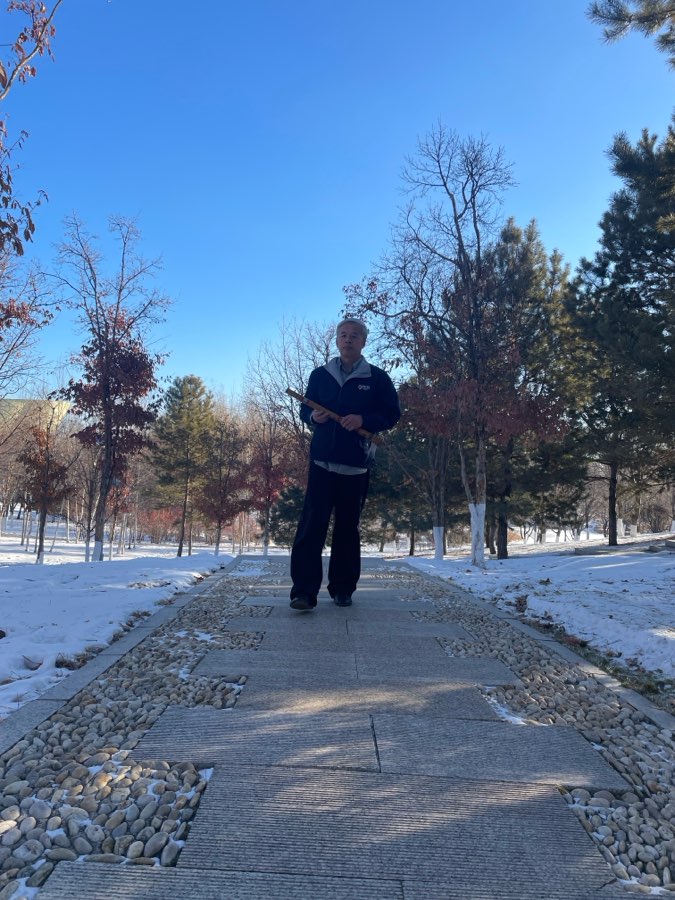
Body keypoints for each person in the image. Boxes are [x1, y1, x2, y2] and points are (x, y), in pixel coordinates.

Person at [289, 317, 400, 611]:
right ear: (337, 340)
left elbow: (392, 414)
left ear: (363, 341)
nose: (348, 339)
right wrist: (313, 417)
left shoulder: (377, 379)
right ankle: (303, 592)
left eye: (354, 335)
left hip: (356, 465)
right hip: (322, 462)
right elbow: (304, 409)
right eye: (343, 335)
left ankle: (343, 589)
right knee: (312, 526)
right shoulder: (320, 375)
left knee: (348, 529)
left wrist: (365, 420)